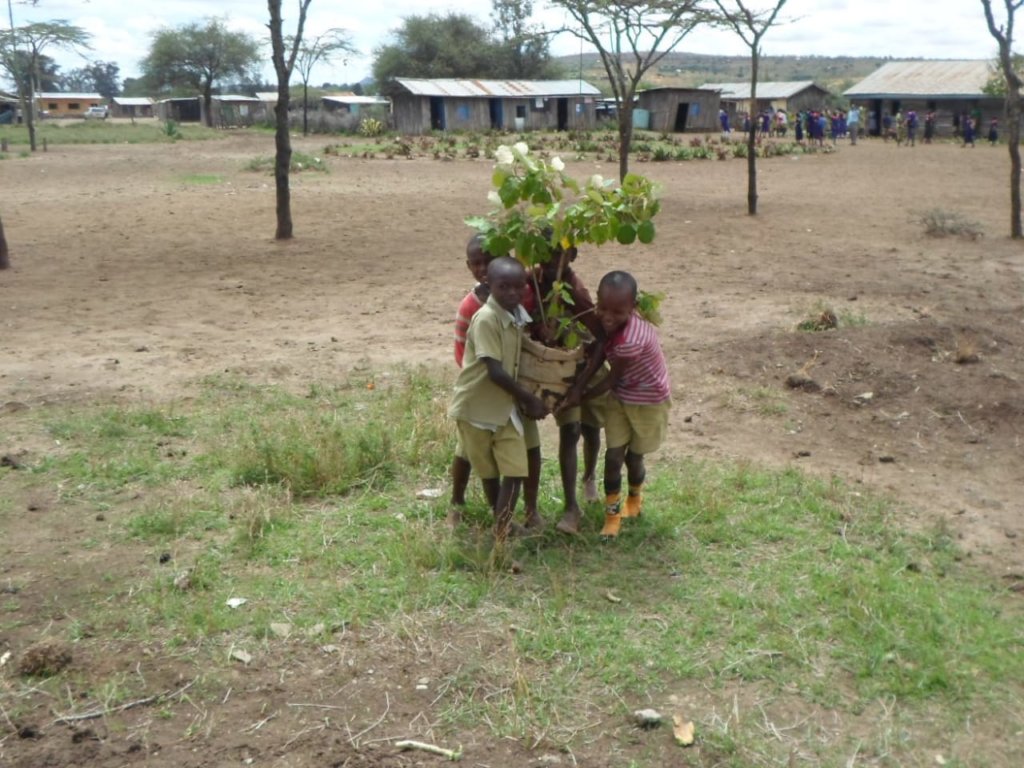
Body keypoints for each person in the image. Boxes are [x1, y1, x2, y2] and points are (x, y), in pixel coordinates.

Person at [558, 271, 671, 539]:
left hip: (648, 401)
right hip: (621, 397)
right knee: (613, 457)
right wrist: (577, 387)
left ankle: (634, 498)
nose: (607, 317)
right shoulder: (610, 325)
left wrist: (580, 395)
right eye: (603, 308)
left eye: (617, 312)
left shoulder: (630, 341)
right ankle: (612, 517)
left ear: (633, 308)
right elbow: (599, 350)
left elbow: (610, 378)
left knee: (634, 458)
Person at [448, 257, 548, 541]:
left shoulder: (516, 314)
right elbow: (495, 371)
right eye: (504, 287)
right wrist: (529, 399)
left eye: (519, 288)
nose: (513, 294)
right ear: (489, 286)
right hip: (476, 408)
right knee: (489, 473)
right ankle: (501, 528)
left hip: (503, 407)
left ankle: (502, 527)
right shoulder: (486, 319)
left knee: (515, 470)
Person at [526, 245, 607, 536]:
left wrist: (582, 385)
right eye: (544, 253)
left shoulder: (576, 292)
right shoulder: (531, 281)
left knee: (586, 429)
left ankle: (584, 484)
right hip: (548, 365)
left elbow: (600, 340)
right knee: (569, 431)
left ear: (572, 255)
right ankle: (559, 505)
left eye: (558, 255)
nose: (550, 261)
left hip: (580, 368)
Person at [449, 234, 495, 523]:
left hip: (500, 384)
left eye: (487, 261)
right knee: (465, 448)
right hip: (476, 385)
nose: (482, 269)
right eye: (476, 264)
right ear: (469, 266)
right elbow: (460, 350)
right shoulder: (470, 305)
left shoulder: (510, 295)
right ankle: (456, 502)